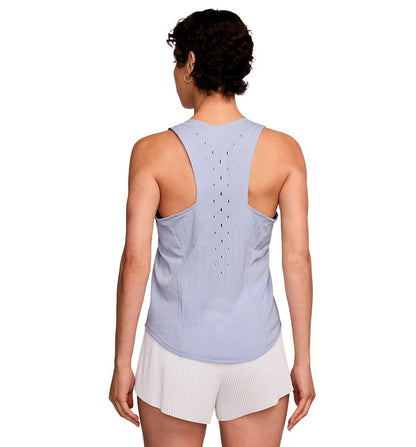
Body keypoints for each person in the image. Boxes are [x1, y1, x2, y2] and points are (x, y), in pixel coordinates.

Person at [109, 8, 315, 447]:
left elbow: (135, 261)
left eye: (176, 61)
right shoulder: (285, 152)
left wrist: (122, 362)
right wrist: (303, 359)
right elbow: (297, 260)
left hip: (173, 356)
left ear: (190, 62)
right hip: (258, 355)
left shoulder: (151, 152)